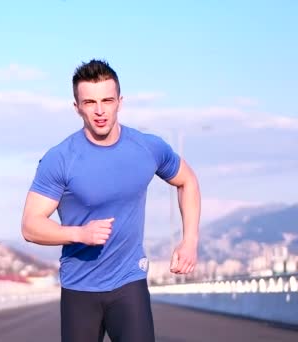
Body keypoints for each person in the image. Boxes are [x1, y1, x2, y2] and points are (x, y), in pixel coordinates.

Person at [21, 59, 201, 342]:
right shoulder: (60, 159)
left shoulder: (147, 147)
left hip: (129, 283)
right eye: (90, 102)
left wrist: (189, 240)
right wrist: (79, 233)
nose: (100, 110)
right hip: (79, 289)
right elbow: (30, 225)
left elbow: (187, 181)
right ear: (77, 107)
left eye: (107, 100)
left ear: (120, 101)